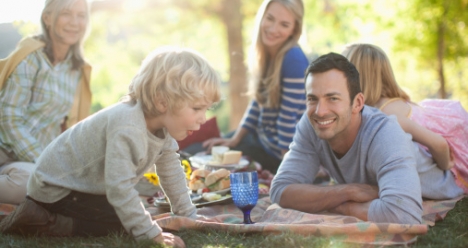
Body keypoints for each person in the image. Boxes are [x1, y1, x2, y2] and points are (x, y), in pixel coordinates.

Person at [0, 46, 222, 247]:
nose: (203, 118)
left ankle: (48, 216)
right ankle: (43, 220)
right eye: (197, 108)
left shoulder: (160, 128)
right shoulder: (128, 125)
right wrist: (149, 234)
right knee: (125, 220)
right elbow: (120, 189)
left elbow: (170, 170)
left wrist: (187, 214)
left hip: (81, 187)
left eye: (207, 110)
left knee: (132, 212)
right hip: (56, 189)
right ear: (162, 101)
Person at [270, 52, 457, 225]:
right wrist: (348, 191)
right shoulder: (311, 123)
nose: (320, 111)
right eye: (312, 99)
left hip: (446, 185)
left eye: (332, 98)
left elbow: (404, 214)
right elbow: (281, 190)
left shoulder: (385, 133)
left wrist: (344, 206)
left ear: (358, 103)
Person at [187, 0, 309, 173]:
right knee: (197, 149)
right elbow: (257, 104)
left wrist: (287, 166)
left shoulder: (293, 59)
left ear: (294, 30)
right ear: (262, 17)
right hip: (259, 139)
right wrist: (235, 139)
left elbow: (287, 117)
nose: (273, 29)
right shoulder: (268, 54)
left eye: (284, 24)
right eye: (270, 19)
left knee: (198, 155)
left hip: (275, 152)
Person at [342, 43, 468, 194]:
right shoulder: (379, 109)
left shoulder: (388, 115)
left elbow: (439, 143)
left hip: (452, 163)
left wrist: (446, 164)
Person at [0, 0, 92, 205]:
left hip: (28, 162)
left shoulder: (76, 69)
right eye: (66, 14)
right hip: (6, 152)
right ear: (48, 18)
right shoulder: (31, 57)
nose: (75, 22)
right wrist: (47, 164)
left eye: (81, 15)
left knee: (44, 184)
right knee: (30, 183)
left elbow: (67, 126)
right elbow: (9, 119)